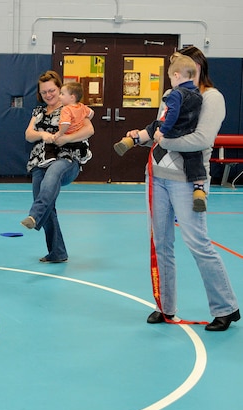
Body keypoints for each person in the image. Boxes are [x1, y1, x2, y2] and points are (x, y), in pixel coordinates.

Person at [122, 46, 239, 331]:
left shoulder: (212, 97)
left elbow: (201, 138)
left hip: (189, 181)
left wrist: (162, 140)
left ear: (199, 66)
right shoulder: (172, 94)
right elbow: (163, 128)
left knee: (198, 242)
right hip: (157, 177)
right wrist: (140, 137)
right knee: (161, 243)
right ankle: (166, 306)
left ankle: (226, 308)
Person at [115, 54, 206, 211]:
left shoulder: (176, 93)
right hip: (189, 132)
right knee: (195, 158)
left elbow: (172, 114)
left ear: (176, 75)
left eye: (171, 77)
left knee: (154, 126)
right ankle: (199, 189)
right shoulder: (198, 95)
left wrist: (162, 130)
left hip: (172, 130)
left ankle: (133, 140)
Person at [20, 71, 94, 263]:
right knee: (46, 203)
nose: (48, 95)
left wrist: (65, 139)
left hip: (66, 160)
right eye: (44, 92)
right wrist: (43, 135)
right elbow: (28, 134)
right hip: (40, 161)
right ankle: (57, 252)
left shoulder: (72, 107)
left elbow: (89, 129)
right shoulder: (38, 112)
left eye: (52, 90)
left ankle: (34, 214)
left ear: (59, 89)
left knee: (53, 175)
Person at [40, 81, 94, 167]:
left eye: (62, 94)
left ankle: (49, 157)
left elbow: (66, 124)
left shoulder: (66, 109)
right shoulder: (82, 107)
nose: (60, 96)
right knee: (80, 145)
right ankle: (84, 154)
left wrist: (60, 133)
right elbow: (91, 113)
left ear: (72, 97)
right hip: (77, 139)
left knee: (50, 143)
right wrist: (80, 122)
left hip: (67, 134)